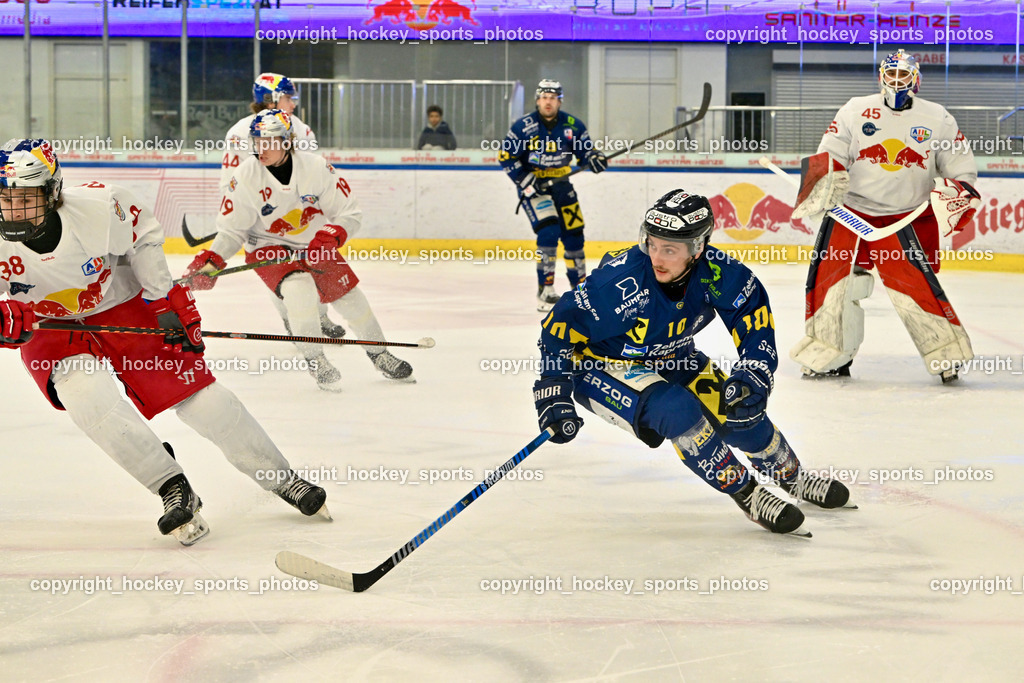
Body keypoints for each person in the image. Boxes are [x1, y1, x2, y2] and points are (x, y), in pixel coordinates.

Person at [0, 138, 330, 546]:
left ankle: (283, 478)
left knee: (199, 396)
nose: (13, 210)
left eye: (25, 198)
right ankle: (170, 485)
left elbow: (143, 241)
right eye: (4, 198)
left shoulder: (103, 208)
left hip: (119, 302)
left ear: (53, 192)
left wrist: (167, 303)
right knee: (88, 400)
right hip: (47, 325)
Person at [532, 189, 853, 536]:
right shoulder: (618, 283)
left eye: (670, 249)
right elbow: (557, 330)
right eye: (651, 243)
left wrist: (753, 374)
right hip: (601, 364)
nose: (657, 256)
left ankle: (793, 478)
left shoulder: (721, 273)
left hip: (674, 356)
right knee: (677, 410)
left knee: (742, 410)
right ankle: (749, 494)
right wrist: (553, 392)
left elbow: (754, 323)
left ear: (698, 248)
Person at [183, 109, 414, 391]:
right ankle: (316, 360)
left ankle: (380, 354)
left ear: (288, 141)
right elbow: (233, 230)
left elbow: (349, 214)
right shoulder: (245, 175)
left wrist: (329, 237)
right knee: (299, 289)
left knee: (350, 297)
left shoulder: (316, 168)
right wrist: (212, 260)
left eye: (269, 141)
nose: (261, 148)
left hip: (313, 245)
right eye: (257, 141)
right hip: (267, 247)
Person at [790, 49, 980, 383]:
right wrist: (828, 179)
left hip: (904, 218)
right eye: (890, 74)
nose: (896, 81)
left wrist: (955, 191)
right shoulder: (855, 109)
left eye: (903, 75)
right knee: (833, 284)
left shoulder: (938, 117)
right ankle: (827, 352)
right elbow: (829, 152)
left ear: (916, 79)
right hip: (851, 214)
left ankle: (946, 355)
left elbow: (961, 167)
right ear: (881, 77)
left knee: (915, 288)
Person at [221, 72, 346, 340]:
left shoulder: (300, 128)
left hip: (299, 215)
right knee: (278, 272)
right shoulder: (240, 133)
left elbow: (309, 171)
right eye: (289, 98)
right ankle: (291, 320)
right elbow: (230, 184)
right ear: (270, 100)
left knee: (314, 265)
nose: (294, 104)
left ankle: (320, 317)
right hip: (263, 221)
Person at [500, 79, 608, 312]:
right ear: (537, 100)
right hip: (534, 187)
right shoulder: (523, 126)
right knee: (549, 232)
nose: (548, 102)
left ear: (559, 101)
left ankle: (580, 291)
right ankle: (545, 290)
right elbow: (506, 156)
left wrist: (594, 159)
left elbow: (585, 152)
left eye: (553, 98)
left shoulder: (573, 125)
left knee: (575, 238)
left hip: (561, 186)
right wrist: (525, 180)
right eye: (544, 98)